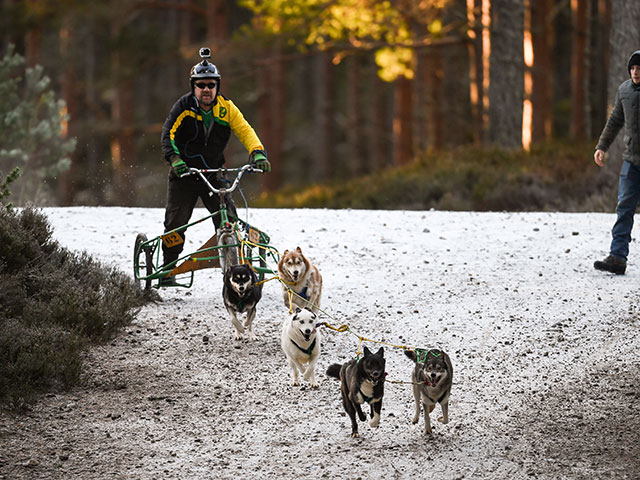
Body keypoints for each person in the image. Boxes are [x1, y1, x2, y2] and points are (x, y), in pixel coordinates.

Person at [160, 47, 270, 285]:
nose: (206, 89)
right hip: (185, 174)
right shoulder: (184, 107)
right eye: (201, 85)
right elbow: (168, 135)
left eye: (211, 85)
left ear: (217, 86)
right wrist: (175, 159)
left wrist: (258, 152)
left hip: (214, 174)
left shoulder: (226, 108)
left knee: (228, 220)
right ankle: (167, 270)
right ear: (194, 87)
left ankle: (234, 271)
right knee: (175, 224)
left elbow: (245, 129)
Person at [593, 49, 640, 275]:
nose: (635, 72)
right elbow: (614, 121)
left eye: (639, 68)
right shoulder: (624, 91)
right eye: (632, 68)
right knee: (624, 208)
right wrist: (601, 147)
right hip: (631, 162)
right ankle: (617, 258)